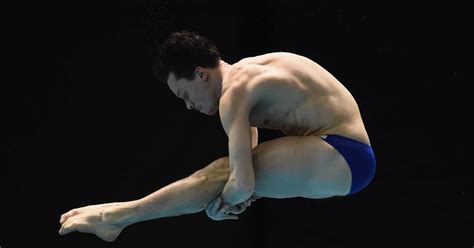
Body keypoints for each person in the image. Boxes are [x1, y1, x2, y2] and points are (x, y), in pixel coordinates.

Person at [58, 30, 376, 242]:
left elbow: (241, 182)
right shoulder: (245, 73)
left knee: (221, 174)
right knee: (228, 173)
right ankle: (119, 213)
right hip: (343, 151)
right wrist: (235, 191)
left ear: (200, 73)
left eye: (185, 95)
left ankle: (117, 217)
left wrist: (222, 204)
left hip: (343, 155)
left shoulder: (233, 94)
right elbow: (248, 159)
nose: (188, 106)